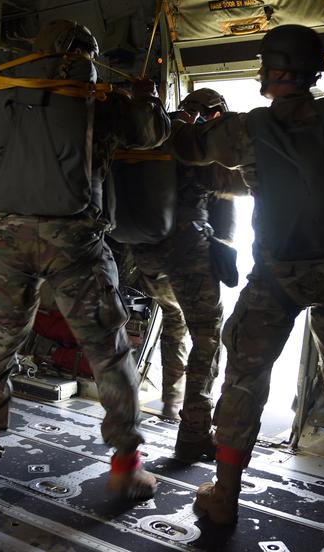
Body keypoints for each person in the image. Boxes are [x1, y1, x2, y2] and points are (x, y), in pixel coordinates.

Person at [170, 0, 324, 524]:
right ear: (315, 72)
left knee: (246, 378)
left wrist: (175, 119)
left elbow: (187, 147)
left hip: (276, 275)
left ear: (268, 72)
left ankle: (224, 494)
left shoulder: (245, 128)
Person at [0, 19, 170, 518]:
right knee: (109, 353)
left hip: (4, 240)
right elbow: (154, 135)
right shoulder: (97, 96)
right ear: (85, 54)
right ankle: (126, 466)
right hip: (74, 241)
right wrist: (145, 97)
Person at [129, 88, 244, 462]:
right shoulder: (196, 145)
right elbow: (230, 188)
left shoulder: (157, 135)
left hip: (146, 257)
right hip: (186, 255)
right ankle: (194, 431)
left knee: (174, 318)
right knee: (208, 335)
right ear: (213, 115)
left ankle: (170, 400)